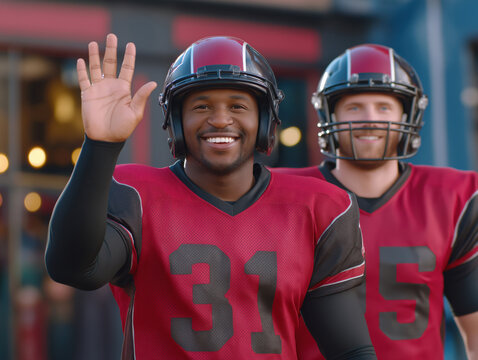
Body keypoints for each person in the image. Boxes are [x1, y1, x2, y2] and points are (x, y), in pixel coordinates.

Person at [44, 33, 377, 359]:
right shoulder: (138, 198)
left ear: (264, 119)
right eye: (202, 106)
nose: (220, 119)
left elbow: (348, 348)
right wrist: (100, 146)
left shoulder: (314, 208)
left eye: (237, 105)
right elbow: (74, 268)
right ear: (177, 120)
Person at [274, 44, 478, 359]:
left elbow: (475, 328)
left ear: (406, 116)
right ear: (331, 114)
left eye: (384, 107)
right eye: (354, 107)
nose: (370, 119)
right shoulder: (287, 193)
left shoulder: (452, 197)